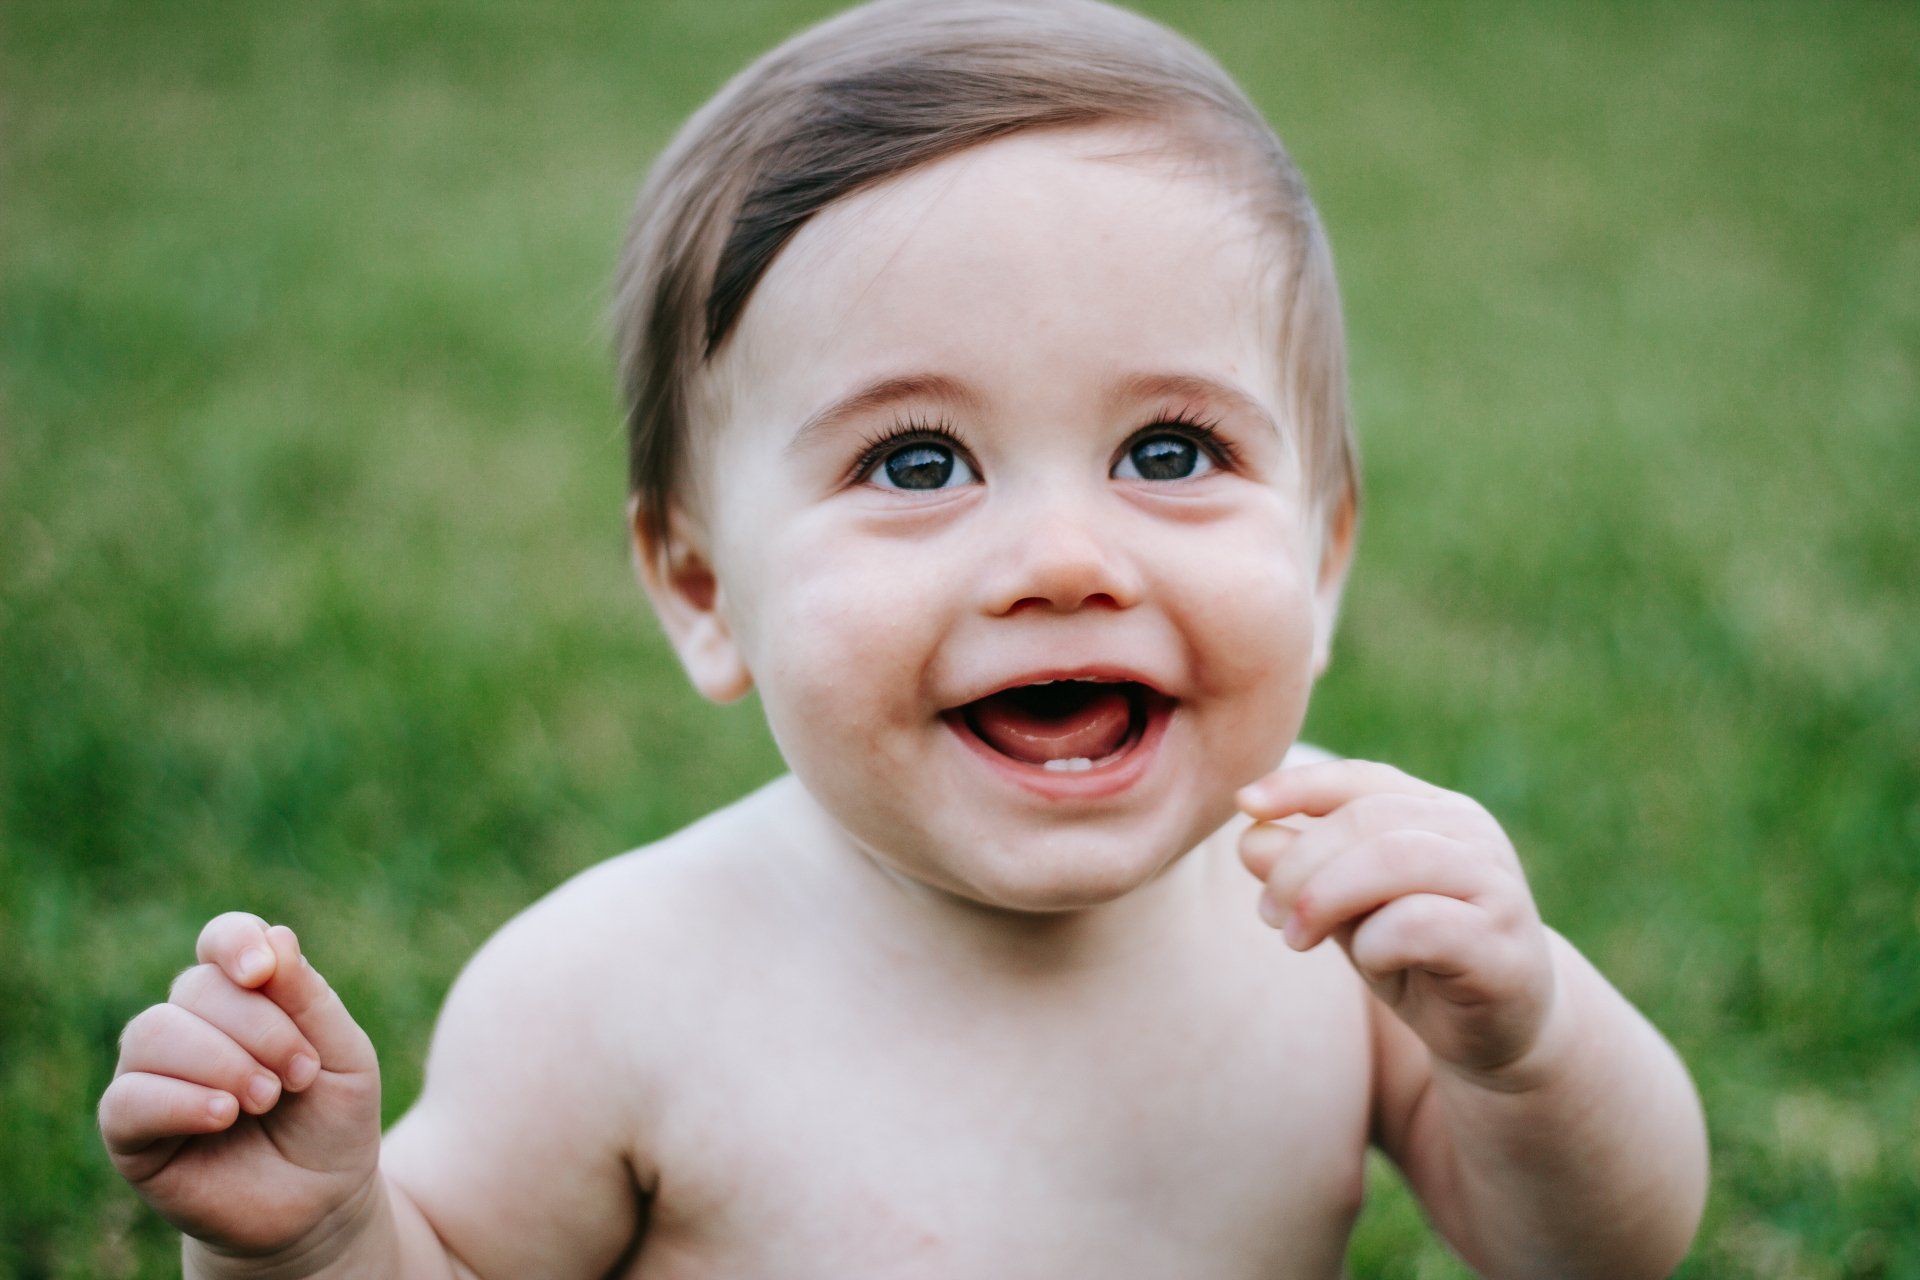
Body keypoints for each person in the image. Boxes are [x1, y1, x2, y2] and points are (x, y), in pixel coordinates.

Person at [96, 1, 1709, 1275]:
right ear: (705, 590)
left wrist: (1529, 1049)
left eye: (1169, 451)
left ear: (1326, 548)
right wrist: (318, 1243)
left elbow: (1592, 1253)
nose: (1067, 558)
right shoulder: (610, 996)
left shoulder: (1341, 938)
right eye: (917, 463)